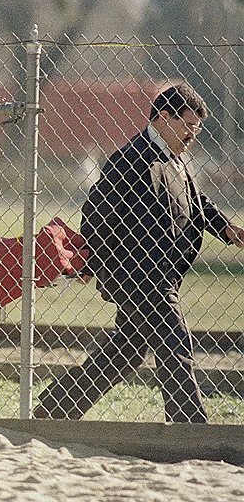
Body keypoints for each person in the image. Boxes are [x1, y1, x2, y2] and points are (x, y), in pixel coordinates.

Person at [34, 83, 244, 423]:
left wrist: (227, 229)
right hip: (138, 275)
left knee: (126, 352)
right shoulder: (131, 160)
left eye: (197, 128)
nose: (193, 134)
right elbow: (96, 213)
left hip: (160, 273)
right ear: (163, 118)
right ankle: (190, 428)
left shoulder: (174, 158)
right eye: (188, 125)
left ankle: (53, 410)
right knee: (175, 345)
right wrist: (96, 263)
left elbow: (196, 202)